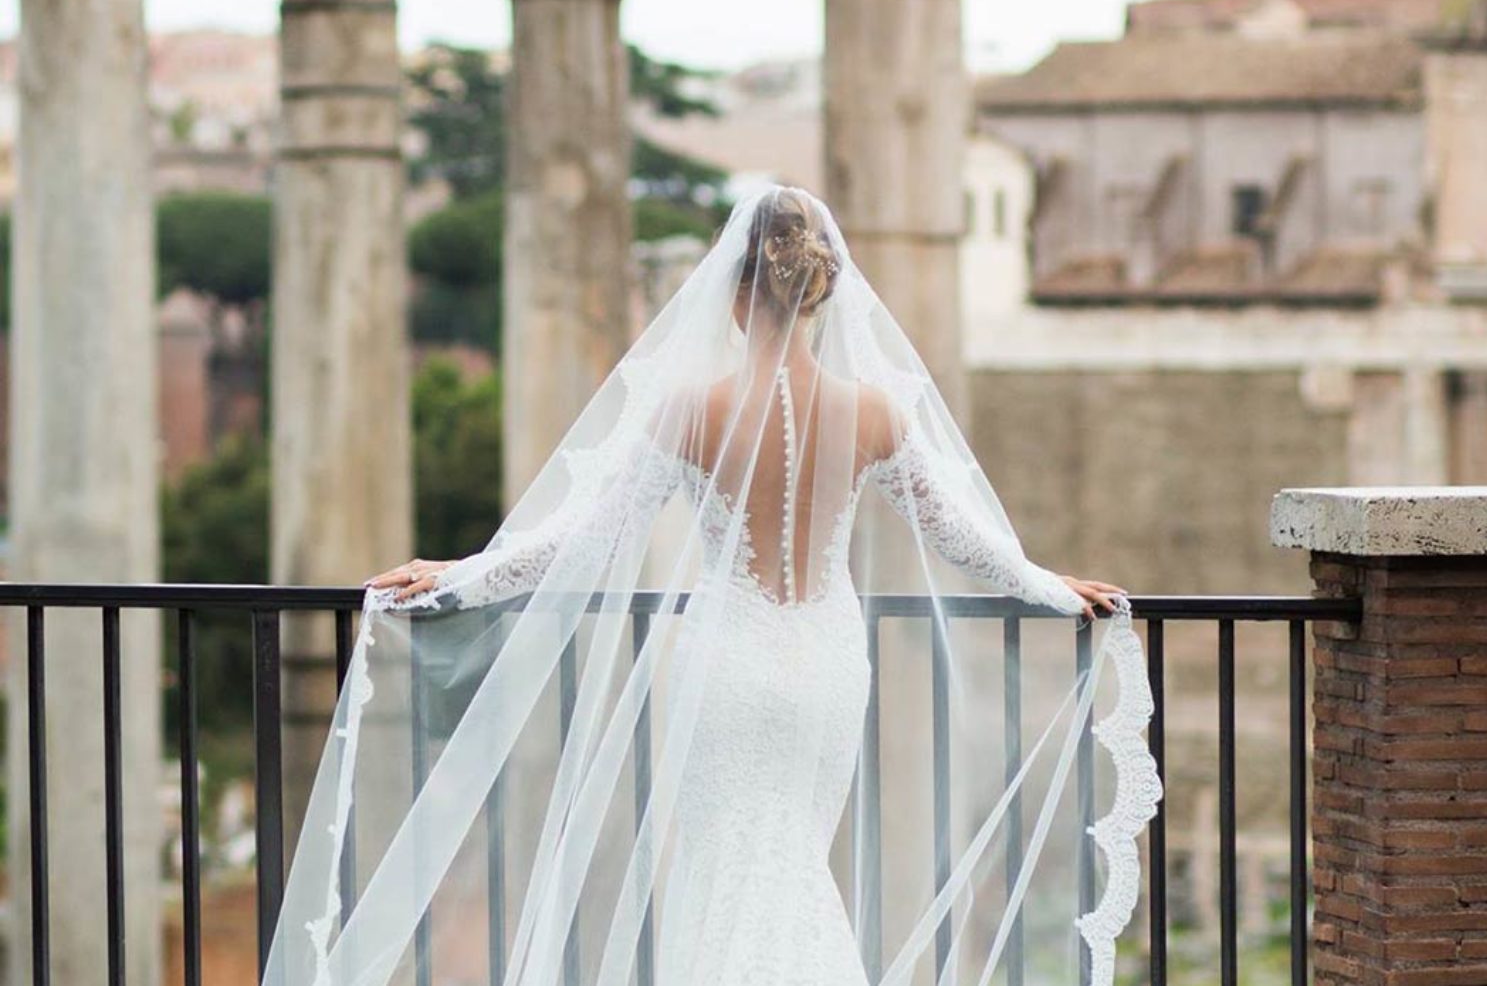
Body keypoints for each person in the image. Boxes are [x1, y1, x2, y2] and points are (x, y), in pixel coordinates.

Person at [270, 184, 1158, 986]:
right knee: (792, 862)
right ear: (822, 293)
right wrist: (1047, 586)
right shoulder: (874, 413)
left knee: (731, 867)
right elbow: (962, 538)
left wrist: (457, 577)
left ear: (736, 296)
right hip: (825, 665)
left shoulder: (690, 408)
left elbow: (581, 536)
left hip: (727, 659)